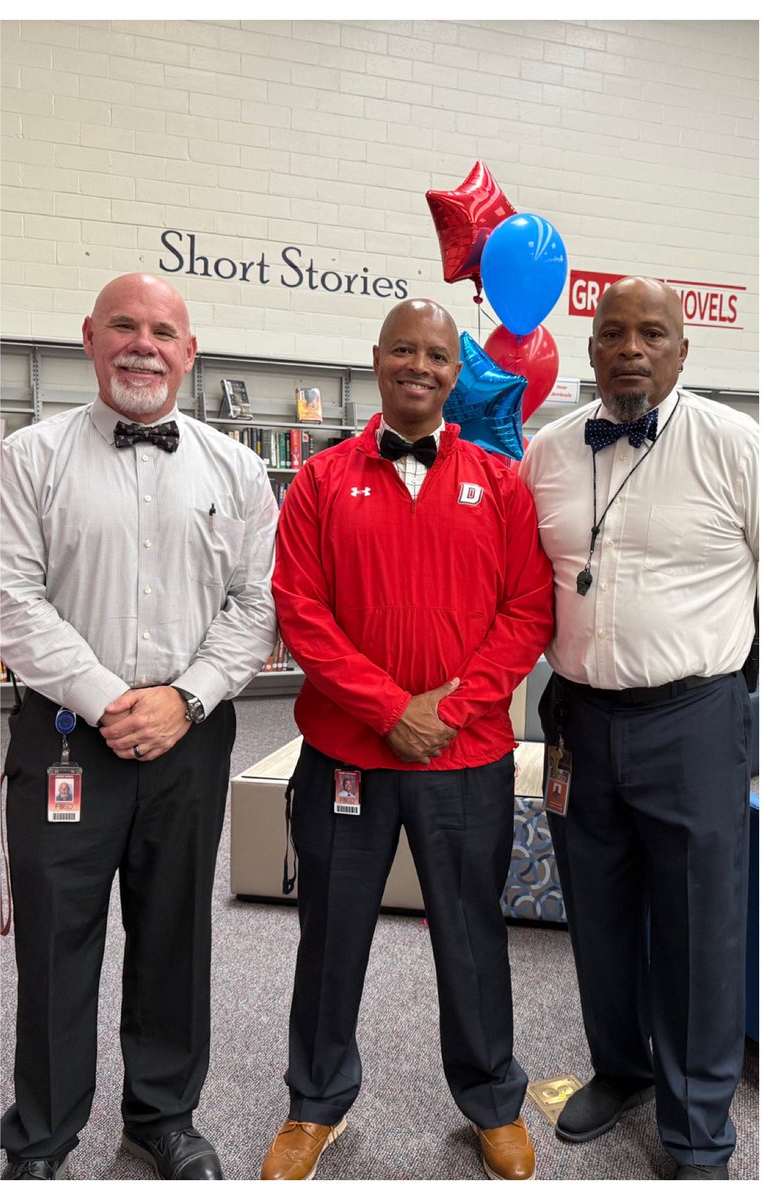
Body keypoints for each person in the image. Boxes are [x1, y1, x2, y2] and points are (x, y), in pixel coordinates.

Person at [265, 298, 553, 1181]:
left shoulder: (501, 481)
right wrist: (392, 709)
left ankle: (491, 1101)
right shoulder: (320, 479)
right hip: (348, 756)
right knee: (332, 932)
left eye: (437, 354)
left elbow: (528, 610)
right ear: (378, 359)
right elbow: (299, 612)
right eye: (404, 350)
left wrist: (453, 708)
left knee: (470, 936)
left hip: (465, 758)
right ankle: (315, 1105)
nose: (420, 366)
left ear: (455, 373)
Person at [0, 272, 279, 1180]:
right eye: (125, 325)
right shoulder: (31, 455)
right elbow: (12, 597)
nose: (143, 344)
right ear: (90, 337)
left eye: (164, 330)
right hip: (68, 737)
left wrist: (186, 698)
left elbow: (257, 605)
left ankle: (163, 1115)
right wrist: (107, 698)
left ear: (189, 354)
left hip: (189, 739)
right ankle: (41, 1134)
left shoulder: (236, 469)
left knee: (174, 932)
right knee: (54, 939)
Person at [520, 276, 757, 1180]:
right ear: (588, 350)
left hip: (694, 716)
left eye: (652, 333)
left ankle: (699, 1123)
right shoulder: (547, 453)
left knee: (699, 918)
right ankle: (622, 1067)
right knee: (600, 910)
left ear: (683, 353)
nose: (630, 347)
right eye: (611, 332)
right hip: (579, 721)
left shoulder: (739, 448)